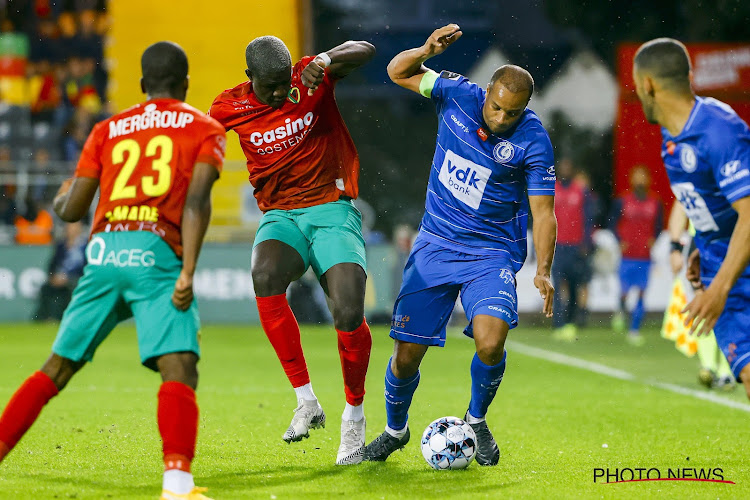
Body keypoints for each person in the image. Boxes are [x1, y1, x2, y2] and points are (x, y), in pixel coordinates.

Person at [0, 41, 226, 500]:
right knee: (179, 366)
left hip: (102, 253)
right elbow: (197, 203)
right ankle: (177, 483)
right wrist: (188, 271)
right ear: (184, 84)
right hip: (154, 252)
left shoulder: (108, 129)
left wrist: (64, 196)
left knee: (57, 367)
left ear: (142, 86)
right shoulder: (204, 128)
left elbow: (72, 209)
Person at [362, 24, 556, 466]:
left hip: (490, 254)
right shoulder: (456, 94)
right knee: (407, 355)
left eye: (513, 113)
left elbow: (544, 213)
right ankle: (395, 430)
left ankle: (476, 420)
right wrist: (425, 50)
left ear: (525, 109)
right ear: (487, 91)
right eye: (497, 106)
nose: (501, 118)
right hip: (435, 245)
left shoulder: (533, 140)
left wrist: (543, 269)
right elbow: (396, 73)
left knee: (491, 342)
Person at [209, 35, 376, 465]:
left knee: (348, 312)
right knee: (264, 276)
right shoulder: (228, 106)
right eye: (271, 87)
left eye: (285, 83)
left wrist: (325, 59)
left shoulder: (309, 76)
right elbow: (200, 138)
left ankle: (354, 418)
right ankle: (307, 402)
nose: (282, 92)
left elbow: (365, 49)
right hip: (281, 215)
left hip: (331, 208)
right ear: (249, 79)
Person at [633, 38, 750, 400]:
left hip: (732, 276)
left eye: (637, 87)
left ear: (648, 84)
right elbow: (707, 203)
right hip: (719, 266)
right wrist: (701, 246)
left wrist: (718, 289)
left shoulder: (719, 130)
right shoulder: (671, 135)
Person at [667, 203, 735, 390]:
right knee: (702, 303)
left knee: (728, 305)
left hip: (731, 244)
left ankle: (726, 370)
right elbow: (680, 206)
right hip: (699, 244)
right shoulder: (692, 177)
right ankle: (708, 366)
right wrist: (674, 247)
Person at [609, 166, 663, 345]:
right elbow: (612, 222)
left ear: (648, 180)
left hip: (644, 256)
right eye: (636, 176)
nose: (640, 180)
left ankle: (634, 329)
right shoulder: (623, 201)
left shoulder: (655, 203)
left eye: (643, 176)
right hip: (627, 255)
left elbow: (658, 226)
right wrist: (619, 240)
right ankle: (621, 310)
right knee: (624, 291)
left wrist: (654, 239)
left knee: (641, 292)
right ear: (631, 180)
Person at [551, 158, 593, 341]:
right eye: (563, 167)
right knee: (559, 285)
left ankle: (571, 322)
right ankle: (558, 324)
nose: (565, 170)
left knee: (576, 286)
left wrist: (586, 242)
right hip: (557, 246)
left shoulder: (581, 191)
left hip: (576, 246)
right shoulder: (552, 189)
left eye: (569, 167)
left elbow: (589, 218)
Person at [32, 221, 88, 322]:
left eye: (74, 228)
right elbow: (52, 264)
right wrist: (53, 276)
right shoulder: (61, 245)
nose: (71, 230)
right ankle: (43, 318)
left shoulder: (85, 246)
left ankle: (60, 318)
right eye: (69, 228)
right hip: (59, 277)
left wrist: (68, 278)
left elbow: (86, 266)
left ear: (79, 229)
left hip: (76, 278)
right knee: (46, 288)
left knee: (70, 288)